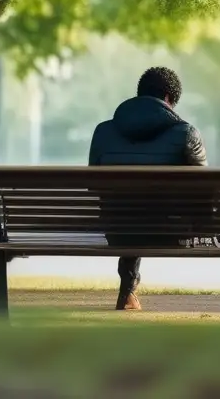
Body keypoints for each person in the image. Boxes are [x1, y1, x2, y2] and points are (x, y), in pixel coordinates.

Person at [88, 66, 207, 311]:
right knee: (151, 206)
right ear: (167, 99)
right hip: (169, 233)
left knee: (129, 206)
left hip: (117, 231)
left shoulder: (103, 132)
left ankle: (128, 291)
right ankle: (129, 292)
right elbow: (205, 188)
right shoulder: (186, 134)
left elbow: (94, 186)